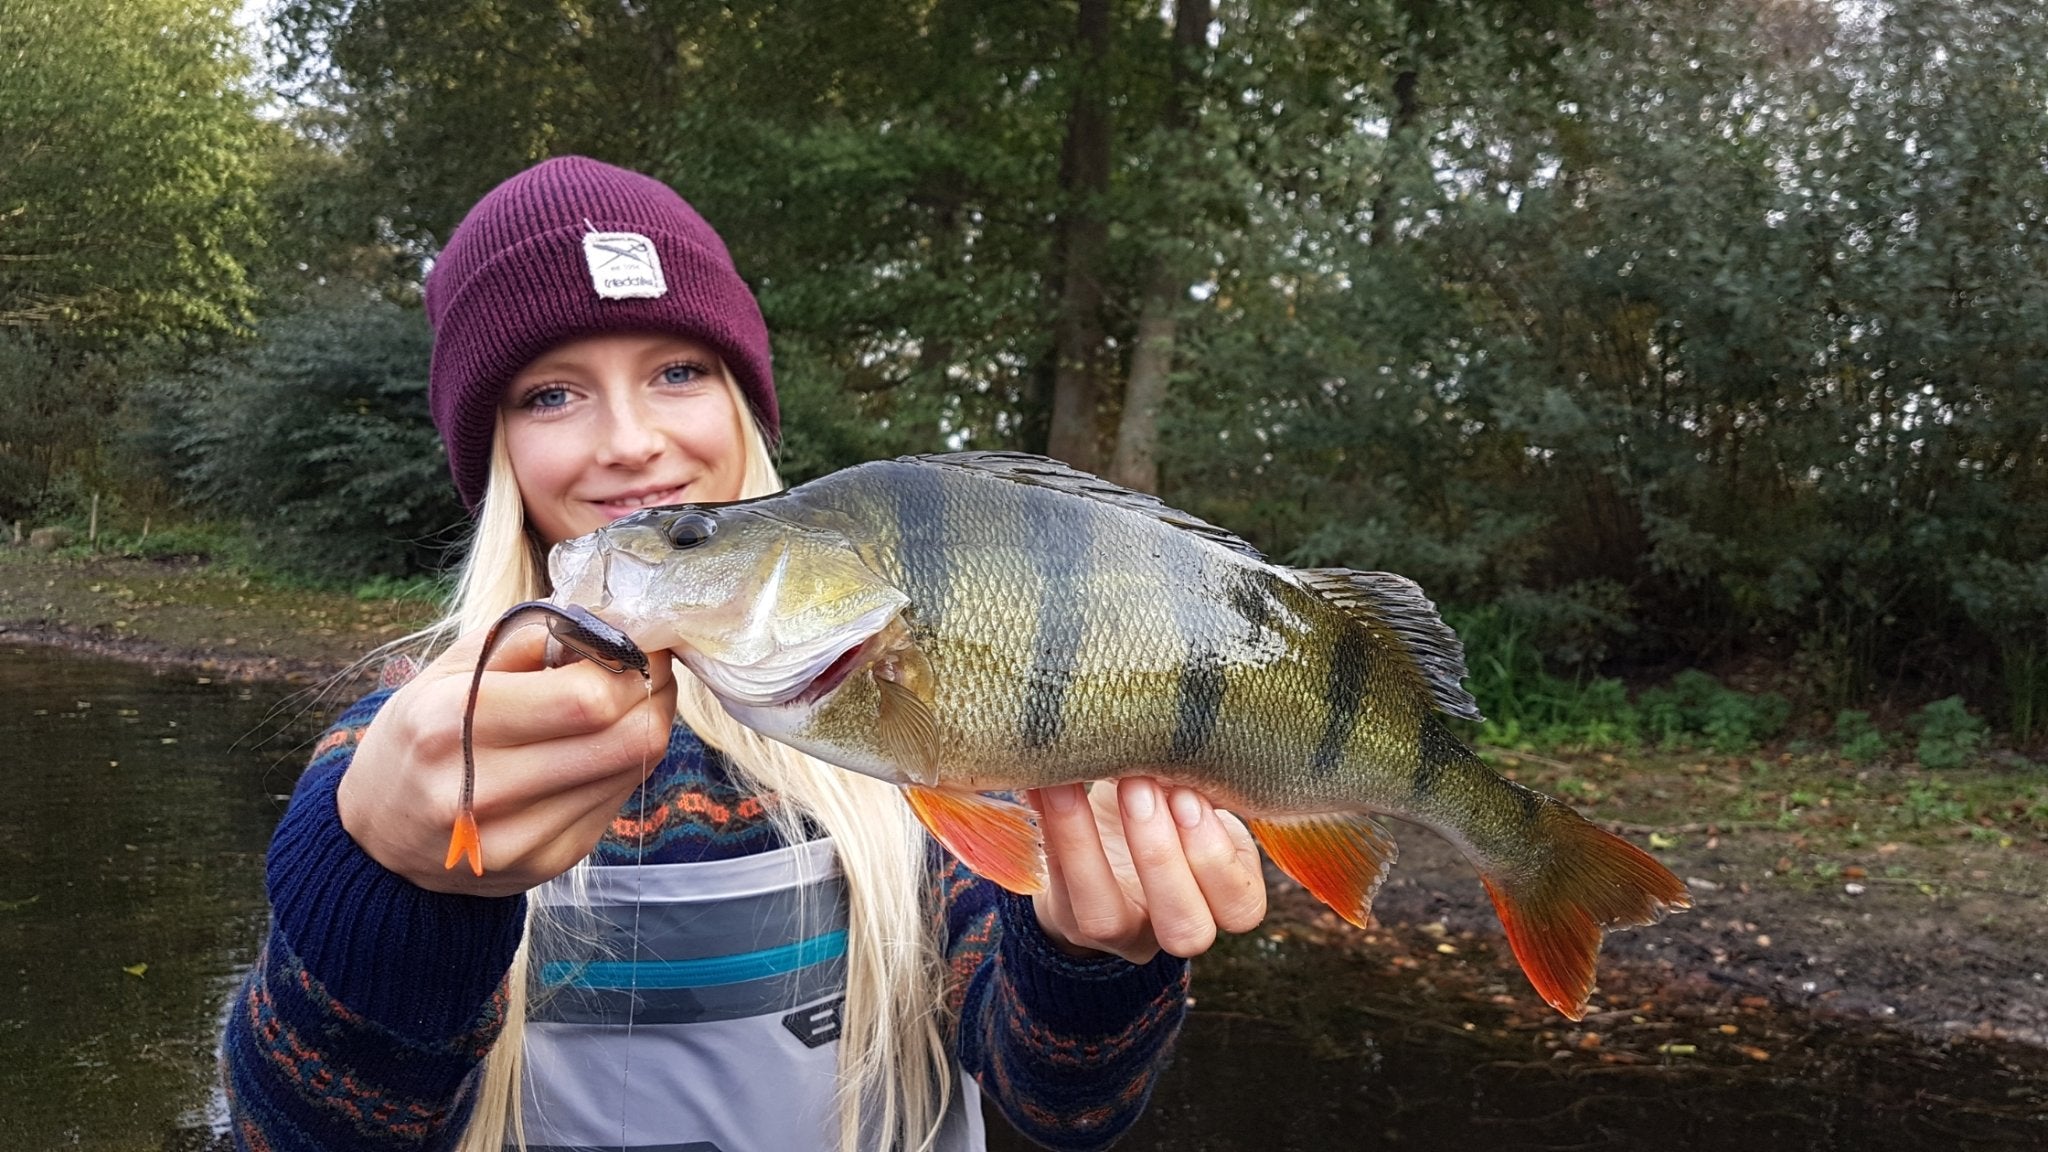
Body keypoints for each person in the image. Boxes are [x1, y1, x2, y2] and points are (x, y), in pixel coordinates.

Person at [220, 156, 1270, 1152]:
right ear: (493, 450)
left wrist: (1089, 956)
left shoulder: (902, 731)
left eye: (678, 370)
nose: (630, 439)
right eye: (550, 392)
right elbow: (299, 1132)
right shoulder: (401, 746)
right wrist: (390, 879)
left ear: (741, 404)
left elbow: (1059, 1106)